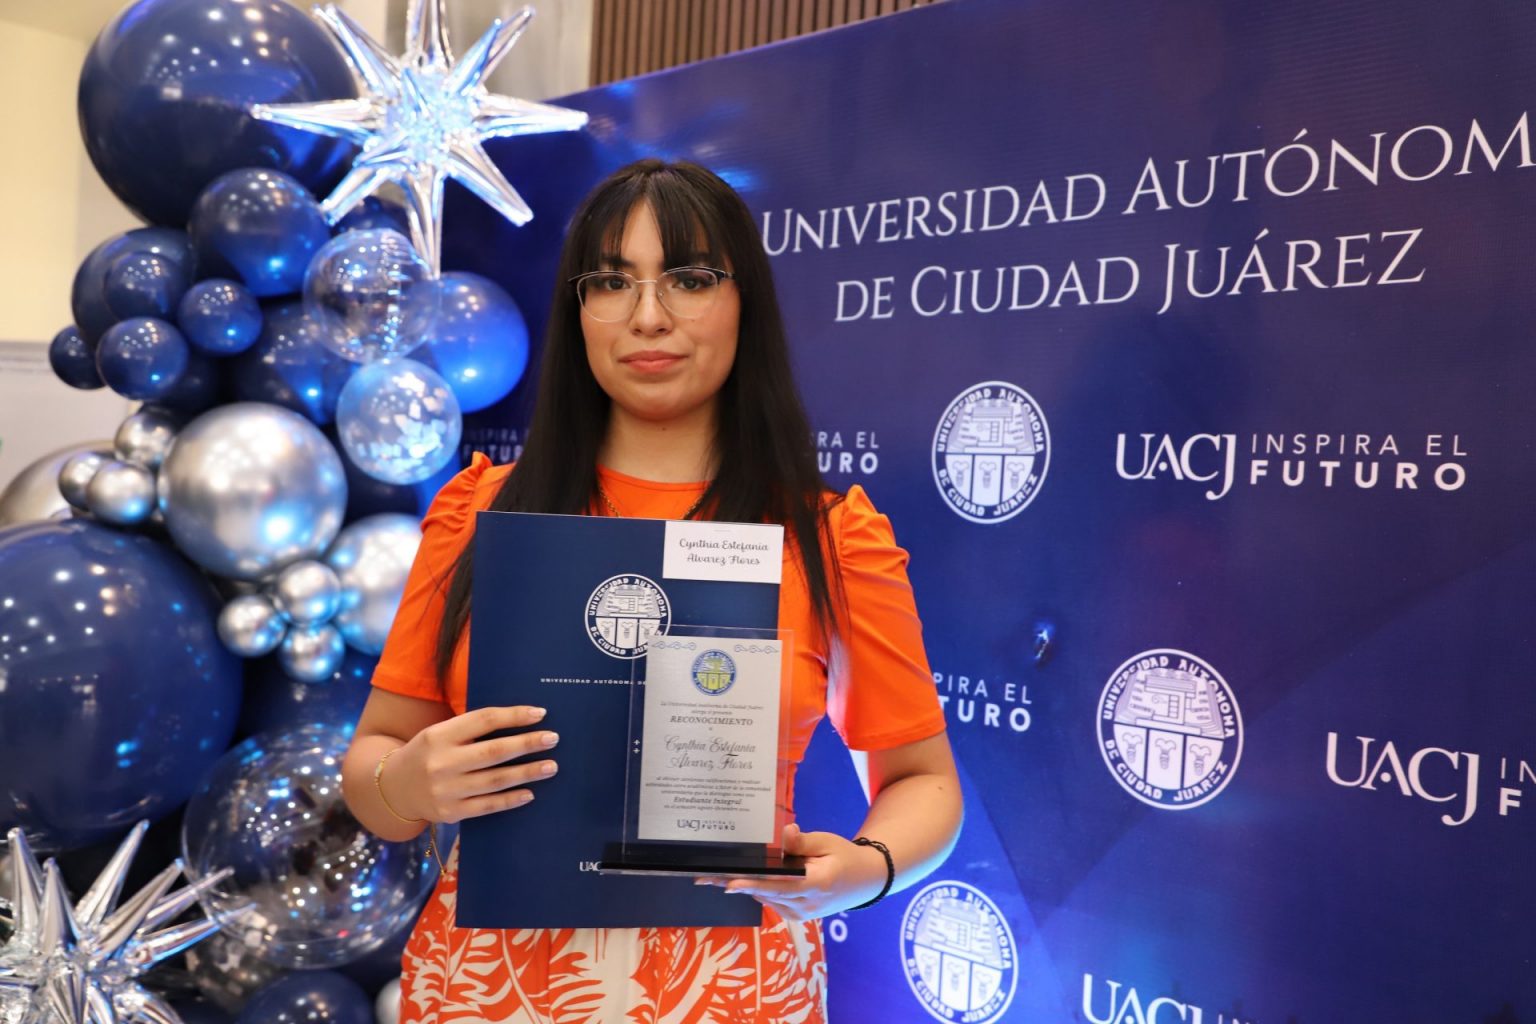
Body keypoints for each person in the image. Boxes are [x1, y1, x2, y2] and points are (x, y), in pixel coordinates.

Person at [341, 158, 962, 1024]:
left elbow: (924, 780)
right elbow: (374, 763)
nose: (648, 316)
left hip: (736, 985)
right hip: (490, 985)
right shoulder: (480, 512)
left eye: (690, 279)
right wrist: (406, 785)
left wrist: (869, 868)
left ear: (745, 302)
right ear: (577, 310)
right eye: (610, 282)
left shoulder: (828, 536)